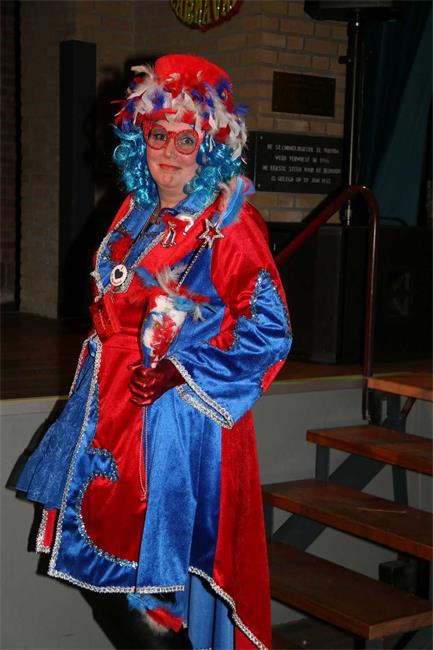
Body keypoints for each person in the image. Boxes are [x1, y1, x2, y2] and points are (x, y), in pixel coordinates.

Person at [15, 54, 292, 649]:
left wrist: (182, 372)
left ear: (211, 147)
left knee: (146, 579)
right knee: (103, 567)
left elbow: (270, 332)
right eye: (157, 135)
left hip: (174, 426)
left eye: (186, 139)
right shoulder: (137, 208)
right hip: (108, 408)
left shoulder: (229, 223)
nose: (167, 152)